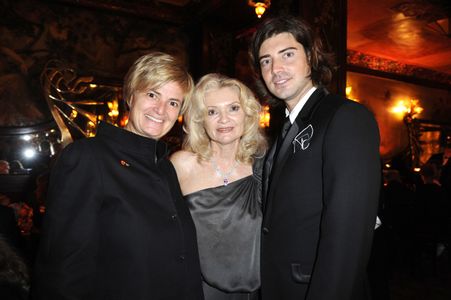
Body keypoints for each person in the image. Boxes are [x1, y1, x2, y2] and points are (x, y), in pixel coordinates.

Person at [32, 52, 204, 300]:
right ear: (131, 96)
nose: (161, 109)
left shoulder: (165, 168)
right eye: (152, 94)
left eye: (173, 102)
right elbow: (62, 270)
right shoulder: (88, 157)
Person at [249, 15, 381, 299]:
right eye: (266, 60)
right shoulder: (282, 130)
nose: (276, 68)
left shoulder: (345, 117)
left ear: (310, 57)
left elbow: (348, 237)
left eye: (287, 54)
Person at [170, 73, 266, 300]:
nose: (224, 119)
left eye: (233, 108)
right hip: (196, 291)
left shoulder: (264, 169)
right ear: (200, 120)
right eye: (212, 112)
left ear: (248, 114)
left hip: (255, 293)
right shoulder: (182, 165)